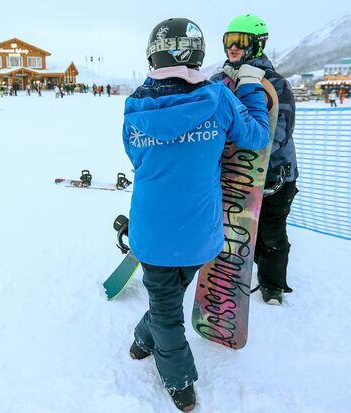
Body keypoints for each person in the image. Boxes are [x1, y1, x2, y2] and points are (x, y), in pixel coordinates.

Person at [123, 17, 270, 411]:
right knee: (168, 305)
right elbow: (257, 135)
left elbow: (136, 156)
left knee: (164, 302)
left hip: (151, 230)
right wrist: (252, 87)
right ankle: (178, 381)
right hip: (199, 233)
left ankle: (149, 350)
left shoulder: (134, 104)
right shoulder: (217, 99)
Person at [210, 14, 299, 305]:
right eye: (228, 41)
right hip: (233, 174)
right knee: (234, 228)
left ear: (258, 45)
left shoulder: (276, 84)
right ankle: (226, 276)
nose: (232, 48)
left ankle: (272, 286)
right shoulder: (217, 81)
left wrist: (233, 143)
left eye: (241, 41)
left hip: (274, 175)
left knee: (270, 233)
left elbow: (280, 134)